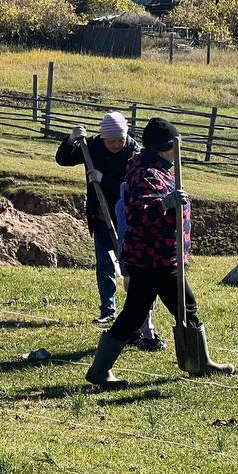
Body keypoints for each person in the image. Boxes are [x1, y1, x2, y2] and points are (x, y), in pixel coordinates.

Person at [86, 117, 233, 388]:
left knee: (141, 313)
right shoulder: (147, 173)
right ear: (166, 147)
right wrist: (164, 204)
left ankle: (101, 370)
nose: (178, 152)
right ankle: (200, 364)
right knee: (178, 308)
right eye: (175, 147)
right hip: (153, 259)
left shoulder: (159, 169)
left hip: (160, 257)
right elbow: (141, 213)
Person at [55, 112, 163, 351]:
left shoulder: (134, 153)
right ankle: (108, 310)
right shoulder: (92, 147)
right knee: (104, 264)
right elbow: (63, 159)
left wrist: (105, 179)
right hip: (101, 216)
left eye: (119, 139)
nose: (116, 144)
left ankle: (135, 315)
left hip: (127, 219)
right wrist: (71, 140)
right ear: (103, 138)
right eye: (111, 140)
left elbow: (134, 184)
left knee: (130, 270)